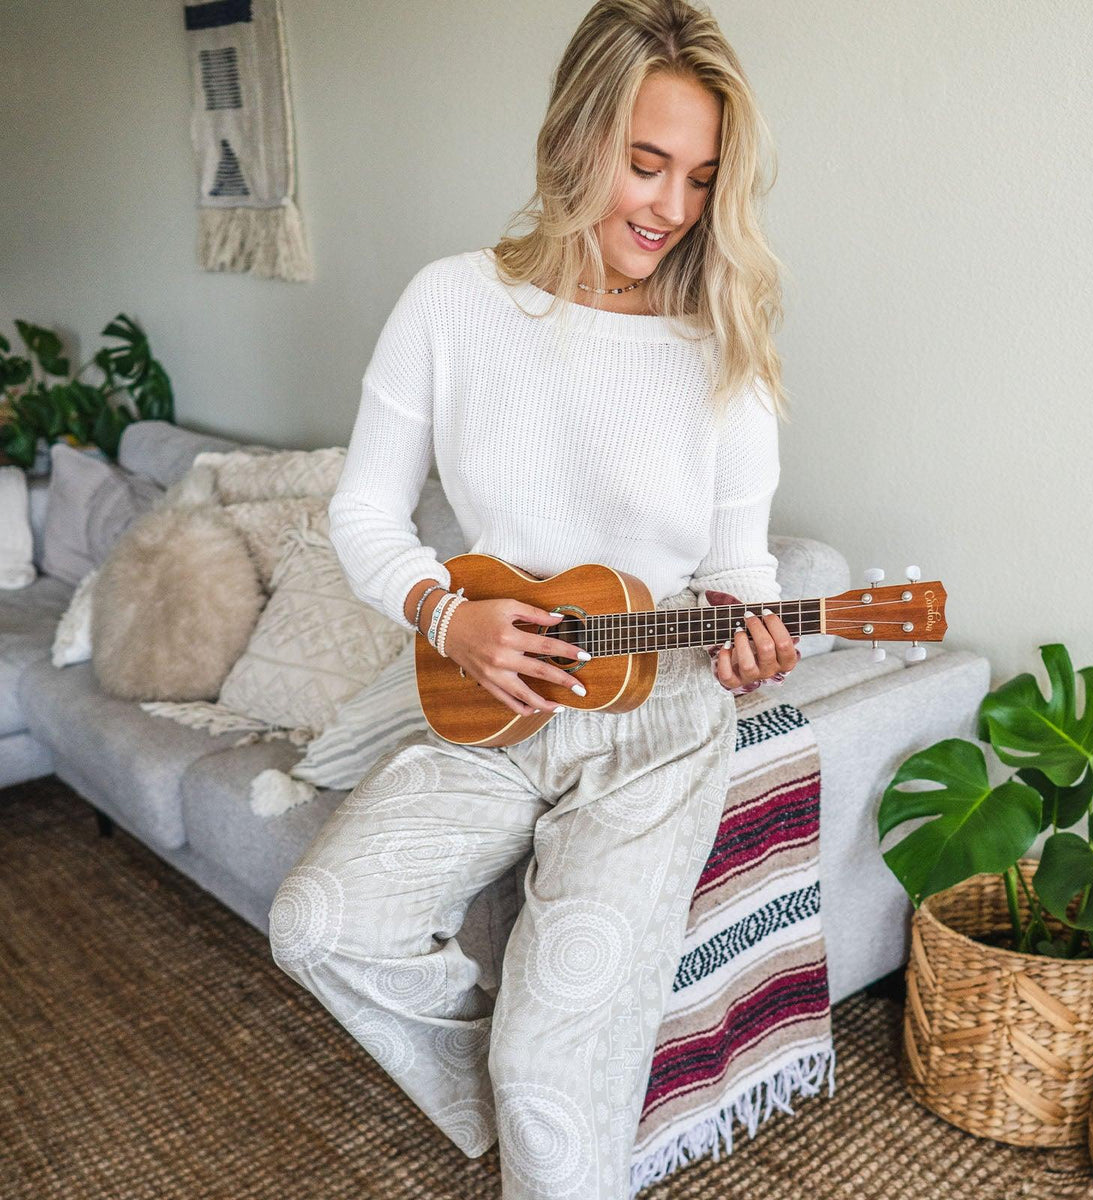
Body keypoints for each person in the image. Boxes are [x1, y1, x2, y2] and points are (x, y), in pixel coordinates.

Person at [267, 2, 800, 1196]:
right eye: (645, 162)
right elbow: (364, 513)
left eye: (701, 179)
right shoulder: (452, 305)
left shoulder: (724, 343)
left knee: (556, 1094)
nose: (669, 208)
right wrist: (447, 615)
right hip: (486, 709)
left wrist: (755, 645)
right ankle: (525, 1091)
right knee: (320, 927)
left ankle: (555, 1098)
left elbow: (740, 576)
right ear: (573, 139)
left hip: (655, 728)